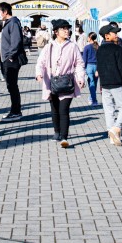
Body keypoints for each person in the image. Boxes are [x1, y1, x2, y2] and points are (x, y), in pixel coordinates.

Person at [35, 19, 85, 148]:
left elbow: (79, 63)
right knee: (54, 109)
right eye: (63, 29)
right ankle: (56, 132)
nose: (66, 30)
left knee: (64, 110)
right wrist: (39, 73)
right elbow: (41, 62)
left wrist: (80, 77)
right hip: (52, 81)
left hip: (67, 82)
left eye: (67, 28)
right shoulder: (49, 46)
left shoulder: (73, 46)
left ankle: (64, 137)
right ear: (56, 32)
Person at [96, 25, 122, 146]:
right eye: (114, 33)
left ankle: (112, 135)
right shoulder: (117, 49)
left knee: (108, 109)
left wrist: (100, 84)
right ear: (107, 36)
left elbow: (99, 67)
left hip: (105, 84)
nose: (116, 35)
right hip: (117, 83)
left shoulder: (99, 50)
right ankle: (116, 128)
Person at [0, 2, 25, 121]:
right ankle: (15, 110)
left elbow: (16, 41)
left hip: (11, 60)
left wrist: (10, 56)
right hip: (7, 59)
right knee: (11, 86)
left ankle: (16, 111)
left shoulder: (13, 23)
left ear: (5, 12)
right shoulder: (8, 23)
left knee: (12, 86)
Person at [82, 32, 99, 106]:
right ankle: (91, 97)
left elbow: (84, 59)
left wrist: (83, 69)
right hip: (96, 66)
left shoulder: (87, 47)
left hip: (89, 66)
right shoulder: (98, 46)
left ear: (89, 38)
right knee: (94, 84)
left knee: (91, 83)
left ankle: (94, 100)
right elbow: (99, 59)